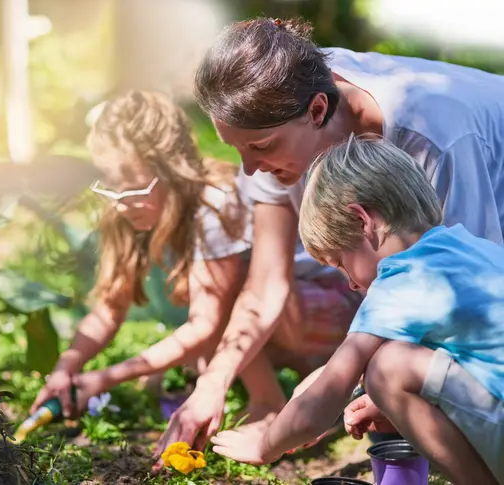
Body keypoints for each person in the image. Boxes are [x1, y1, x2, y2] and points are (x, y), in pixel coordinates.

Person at [155, 15, 504, 459]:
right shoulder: (279, 93)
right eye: (236, 149)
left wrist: (334, 388)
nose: (248, 169)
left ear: (318, 110)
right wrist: (213, 381)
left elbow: (459, 304)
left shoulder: (436, 140)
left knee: (399, 368)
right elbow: (265, 286)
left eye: (260, 148)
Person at [211, 136, 504, 485]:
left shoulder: (403, 278)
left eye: (340, 262)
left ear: (363, 221)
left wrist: (265, 444)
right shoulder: (467, 248)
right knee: (386, 366)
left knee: (387, 368)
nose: (350, 283)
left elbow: (324, 399)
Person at [30, 90, 258, 417]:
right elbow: (110, 306)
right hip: (242, 334)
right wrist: (67, 366)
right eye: (110, 186)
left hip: (307, 314)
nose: (120, 202)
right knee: (189, 360)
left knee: (213, 333)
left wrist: (107, 377)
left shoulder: (215, 202)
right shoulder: (125, 209)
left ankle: (269, 404)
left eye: (134, 188)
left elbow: (208, 324)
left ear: (172, 171)